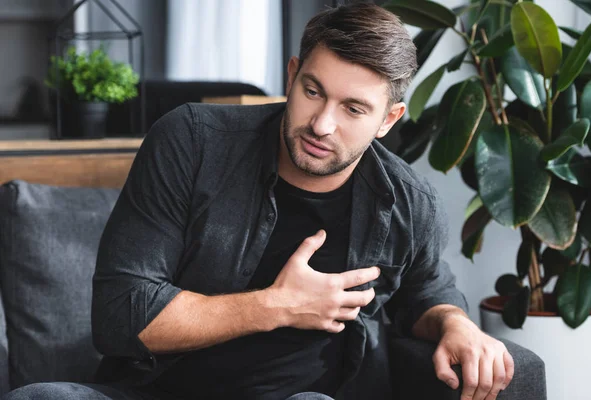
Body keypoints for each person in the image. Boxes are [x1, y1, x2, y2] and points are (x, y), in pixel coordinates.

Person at [5, 3, 514, 400]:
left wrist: (456, 324)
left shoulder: (408, 200)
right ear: (292, 74)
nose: (322, 124)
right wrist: (279, 305)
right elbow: (119, 316)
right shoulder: (192, 140)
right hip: (154, 389)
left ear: (388, 120)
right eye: (313, 91)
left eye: (353, 108)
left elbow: (427, 290)